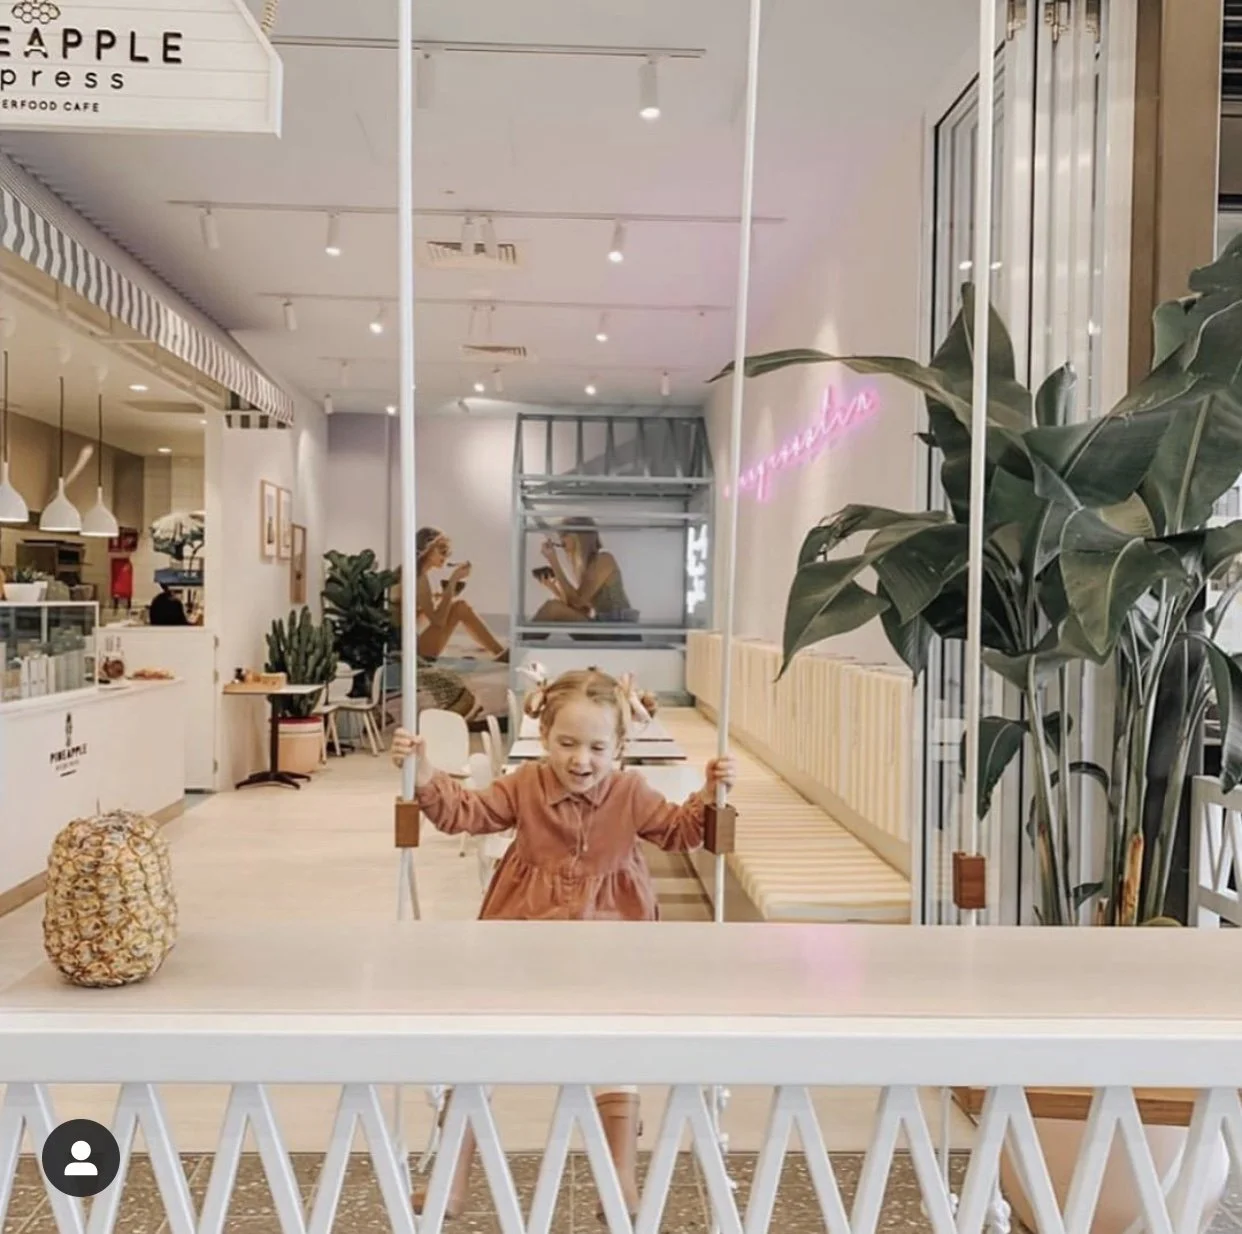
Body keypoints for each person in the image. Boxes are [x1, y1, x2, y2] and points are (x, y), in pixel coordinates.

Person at [391, 668, 736, 1218]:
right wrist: (426, 773)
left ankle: (618, 1177)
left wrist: (711, 793)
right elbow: (469, 813)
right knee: (482, 1042)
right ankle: (451, 1177)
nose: (581, 760)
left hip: (611, 940)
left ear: (621, 747)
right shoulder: (524, 786)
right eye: (567, 744)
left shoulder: (630, 793)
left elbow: (679, 831)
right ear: (544, 736)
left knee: (613, 1047)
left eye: (598, 747)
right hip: (525, 933)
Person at [415, 527, 507, 662]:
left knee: (459, 606)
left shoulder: (417, 574)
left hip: (412, 644)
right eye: (443, 550)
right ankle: (501, 654)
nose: (446, 556)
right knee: (460, 607)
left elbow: (420, 616)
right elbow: (438, 621)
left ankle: (500, 653)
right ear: (428, 548)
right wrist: (453, 580)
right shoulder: (419, 578)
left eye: (448, 552)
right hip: (413, 651)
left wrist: (436, 600)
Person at [532, 517, 636, 627]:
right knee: (553, 607)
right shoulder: (586, 568)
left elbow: (577, 602)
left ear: (577, 536)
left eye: (564, 535)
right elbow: (581, 609)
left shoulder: (604, 559)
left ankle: (516, 642)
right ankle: (521, 640)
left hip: (619, 629)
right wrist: (553, 588)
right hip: (604, 626)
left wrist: (553, 561)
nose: (560, 539)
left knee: (552, 608)